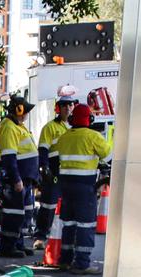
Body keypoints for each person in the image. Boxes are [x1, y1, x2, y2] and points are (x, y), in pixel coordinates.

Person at [49, 104, 112, 274]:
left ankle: (65, 260)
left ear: (71, 119)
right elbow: (110, 158)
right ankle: (82, 264)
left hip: (66, 187)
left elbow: (53, 160)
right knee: (86, 225)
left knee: (68, 223)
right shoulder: (94, 137)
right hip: (85, 187)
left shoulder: (63, 137)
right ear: (89, 119)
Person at [0, 95, 40, 258]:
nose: (26, 113)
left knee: (23, 214)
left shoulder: (18, 126)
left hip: (25, 179)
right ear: (18, 110)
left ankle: (17, 244)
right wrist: (16, 179)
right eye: (25, 110)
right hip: (15, 181)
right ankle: (7, 247)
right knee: (13, 214)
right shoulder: (9, 128)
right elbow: (9, 157)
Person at [34, 91, 79, 250]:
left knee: (68, 206)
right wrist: (44, 168)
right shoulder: (50, 127)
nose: (68, 108)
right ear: (58, 109)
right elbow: (43, 149)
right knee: (48, 205)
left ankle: (65, 238)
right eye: (64, 105)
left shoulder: (76, 127)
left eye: (70, 105)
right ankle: (40, 236)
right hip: (53, 171)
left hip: (70, 172)